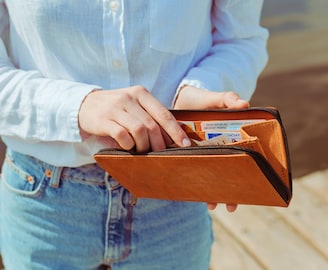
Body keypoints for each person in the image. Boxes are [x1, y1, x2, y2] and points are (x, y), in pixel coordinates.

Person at [0, 1, 268, 269]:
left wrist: (198, 93)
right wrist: (78, 105)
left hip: (173, 188)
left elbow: (241, 39)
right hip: (43, 202)